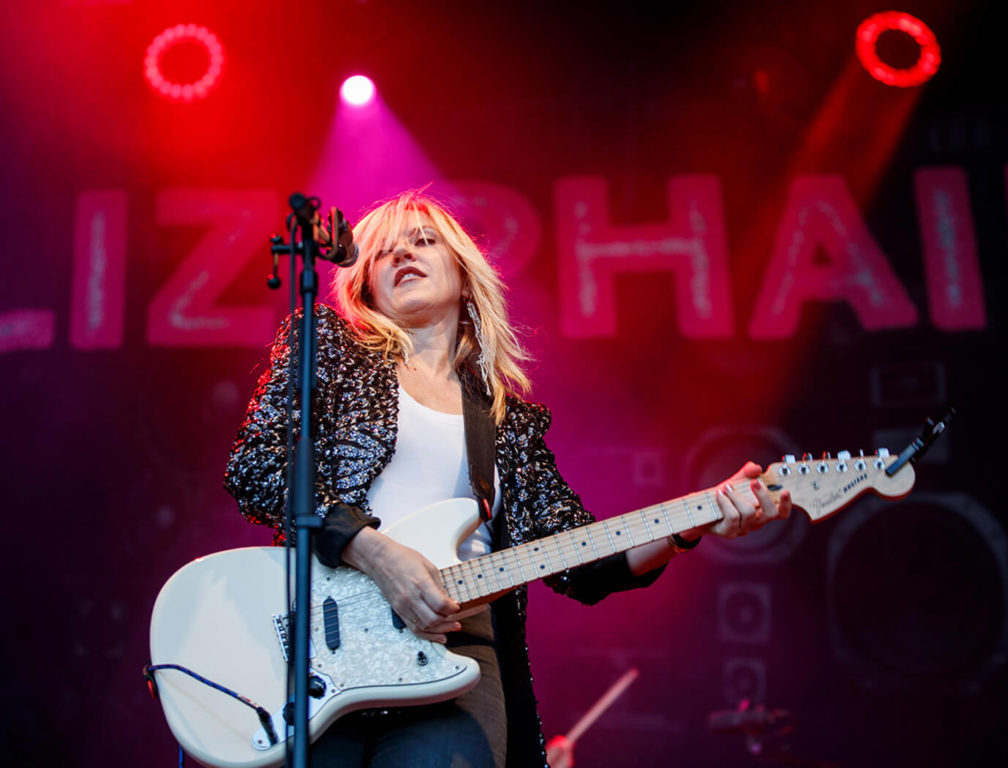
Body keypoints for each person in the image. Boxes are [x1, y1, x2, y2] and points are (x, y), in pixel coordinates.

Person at [224, 190, 791, 768]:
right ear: (365, 282)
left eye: (423, 242)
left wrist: (696, 520)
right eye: (383, 253)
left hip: (457, 653)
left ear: (464, 274)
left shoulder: (504, 419)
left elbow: (582, 559)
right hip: (323, 648)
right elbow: (258, 467)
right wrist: (373, 551)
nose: (403, 256)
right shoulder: (329, 352)